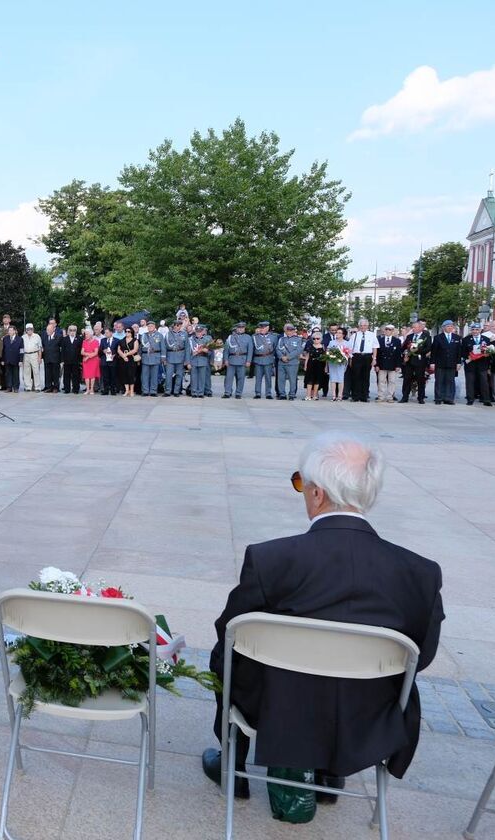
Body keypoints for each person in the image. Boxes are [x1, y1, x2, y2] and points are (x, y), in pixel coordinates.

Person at [202, 432, 443, 801]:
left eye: (301, 483)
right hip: (367, 709)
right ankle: (330, 772)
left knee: (228, 658)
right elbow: (421, 657)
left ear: (317, 494)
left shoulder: (272, 560)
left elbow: (229, 634)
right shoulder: (420, 573)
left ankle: (233, 764)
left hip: (277, 703)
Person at [460, 323, 492, 406]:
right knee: (470, 382)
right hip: (470, 364)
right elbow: (463, 352)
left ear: (480, 330)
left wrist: (487, 355)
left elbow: (489, 352)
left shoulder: (486, 339)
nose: (475, 331)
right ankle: (470, 399)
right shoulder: (466, 339)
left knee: (484, 382)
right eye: (473, 329)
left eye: (477, 329)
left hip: (482, 364)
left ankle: (486, 399)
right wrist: (468, 357)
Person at [400, 321, 431, 404]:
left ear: (420, 328)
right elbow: (404, 347)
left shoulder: (426, 336)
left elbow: (428, 348)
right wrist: (406, 354)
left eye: (415, 327)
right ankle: (405, 397)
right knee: (407, 379)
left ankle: (420, 398)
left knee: (420, 379)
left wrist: (417, 350)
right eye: (412, 327)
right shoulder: (409, 336)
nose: (413, 329)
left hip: (420, 361)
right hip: (409, 361)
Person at [347, 318, 377, 402]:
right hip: (357, 356)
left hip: (367, 357)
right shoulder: (354, 335)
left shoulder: (372, 335)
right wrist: (350, 359)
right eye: (361, 325)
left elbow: (375, 347)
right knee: (356, 376)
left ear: (367, 326)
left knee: (366, 377)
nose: (363, 327)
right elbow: (350, 348)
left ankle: (364, 396)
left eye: (364, 325)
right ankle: (355, 396)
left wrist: (374, 358)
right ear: (359, 326)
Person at [223, 322, 253, 399]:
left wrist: (248, 361)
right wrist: (226, 359)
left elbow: (250, 350)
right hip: (231, 360)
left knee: (241, 378)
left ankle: (238, 393)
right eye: (239, 327)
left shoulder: (248, 337)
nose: (240, 329)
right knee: (228, 378)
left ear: (244, 328)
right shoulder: (230, 337)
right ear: (236, 328)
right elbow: (226, 350)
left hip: (242, 359)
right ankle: (227, 392)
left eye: (242, 328)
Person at [276, 324, 306, 400]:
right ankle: (282, 394)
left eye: (291, 330)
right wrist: (282, 357)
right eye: (288, 330)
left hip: (292, 363)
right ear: (286, 331)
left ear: (293, 331)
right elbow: (277, 349)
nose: (289, 332)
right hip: (282, 362)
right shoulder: (281, 339)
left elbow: (298, 350)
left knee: (292, 379)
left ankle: (292, 394)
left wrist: (288, 357)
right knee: (281, 379)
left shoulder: (298, 339)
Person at [373, 325, 401, 403]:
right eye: (386, 329)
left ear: (392, 331)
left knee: (392, 381)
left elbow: (398, 354)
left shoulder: (397, 341)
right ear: (384, 331)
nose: (388, 331)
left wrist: (398, 365)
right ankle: (380, 396)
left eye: (390, 330)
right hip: (382, 364)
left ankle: (390, 397)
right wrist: (376, 365)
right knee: (381, 381)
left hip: (392, 364)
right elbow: (377, 354)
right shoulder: (379, 340)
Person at [249, 322, 276, 399]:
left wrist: (272, 358)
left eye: (263, 328)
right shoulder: (254, 337)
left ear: (267, 328)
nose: (262, 329)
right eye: (261, 327)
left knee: (268, 377)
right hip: (258, 359)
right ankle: (258, 393)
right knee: (258, 377)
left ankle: (268, 393)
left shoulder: (273, 337)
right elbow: (252, 349)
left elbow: (275, 348)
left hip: (268, 359)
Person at [163, 320, 188, 396]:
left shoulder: (184, 334)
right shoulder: (168, 334)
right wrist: (164, 358)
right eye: (177, 325)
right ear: (173, 325)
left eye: (179, 325)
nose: (178, 327)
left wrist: (186, 359)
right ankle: (168, 391)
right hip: (170, 356)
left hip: (180, 356)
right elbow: (164, 347)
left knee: (179, 375)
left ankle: (176, 391)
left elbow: (187, 347)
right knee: (168, 375)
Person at [187, 324, 212, 398]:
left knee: (202, 378)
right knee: (193, 378)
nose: (198, 333)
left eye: (200, 331)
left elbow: (210, 352)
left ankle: (201, 392)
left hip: (203, 360)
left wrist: (206, 351)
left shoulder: (206, 340)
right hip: (193, 360)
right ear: (195, 332)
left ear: (202, 332)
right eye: (197, 332)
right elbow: (188, 352)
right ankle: (194, 392)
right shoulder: (191, 340)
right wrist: (188, 362)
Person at [302, 333, 328, 401]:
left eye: (317, 338)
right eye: (314, 338)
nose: (316, 340)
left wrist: (326, 367)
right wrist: (305, 365)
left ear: (321, 339)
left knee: (317, 380)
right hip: (311, 364)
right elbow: (307, 357)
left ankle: (315, 395)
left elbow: (325, 358)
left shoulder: (323, 347)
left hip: (320, 365)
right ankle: (308, 395)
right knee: (309, 380)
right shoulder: (310, 346)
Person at [326, 327, 349, 402]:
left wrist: (344, 358)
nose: (337, 334)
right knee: (333, 379)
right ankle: (333, 395)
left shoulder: (346, 343)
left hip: (341, 363)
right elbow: (328, 352)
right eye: (337, 332)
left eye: (339, 333)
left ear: (343, 334)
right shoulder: (332, 342)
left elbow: (348, 353)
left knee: (340, 379)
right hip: (332, 363)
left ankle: (340, 396)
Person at [117, 324, 139, 397]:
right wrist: (123, 356)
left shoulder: (135, 340)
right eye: (126, 331)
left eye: (129, 331)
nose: (127, 333)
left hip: (131, 360)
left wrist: (126, 355)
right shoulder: (122, 340)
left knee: (131, 375)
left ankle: (132, 391)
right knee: (124, 375)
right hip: (123, 360)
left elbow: (135, 350)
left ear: (131, 332)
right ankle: (127, 391)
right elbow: (119, 350)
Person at [40, 320, 62, 393]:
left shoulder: (58, 336)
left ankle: (56, 387)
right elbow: (42, 346)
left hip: (55, 358)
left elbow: (61, 347)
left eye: (49, 330)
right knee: (47, 373)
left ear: (53, 329)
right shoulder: (45, 337)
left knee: (55, 374)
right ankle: (48, 387)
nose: (47, 331)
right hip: (47, 358)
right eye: (47, 330)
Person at [20, 323, 43, 392]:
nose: (29, 330)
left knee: (36, 371)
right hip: (25, 355)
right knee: (26, 372)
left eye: (30, 329)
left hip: (34, 354)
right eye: (28, 329)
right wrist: (21, 358)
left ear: (33, 329)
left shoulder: (37, 336)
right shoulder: (23, 337)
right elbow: (21, 348)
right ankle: (28, 387)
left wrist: (39, 357)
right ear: (26, 330)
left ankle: (37, 387)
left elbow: (40, 348)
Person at [1, 325, 23, 393]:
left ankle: (16, 387)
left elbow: (22, 350)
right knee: (8, 374)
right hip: (7, 359)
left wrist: (21, 360)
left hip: (16, 360)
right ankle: (9, 387)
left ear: (14, 331)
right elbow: (3, 350)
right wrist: (2, 359)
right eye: (9, 330)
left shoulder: (20, 339)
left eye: (11, 330)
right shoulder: (5, 339)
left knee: (16, 374)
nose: (9, 332)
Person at [98, 325, 119, 395]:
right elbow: (99, 351)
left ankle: (113, 390)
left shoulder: (117, 340)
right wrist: (103, 350)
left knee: (113, 376)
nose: (105, 334)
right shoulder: (103, 340)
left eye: (107, 333)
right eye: (105, 333)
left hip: (113, 361)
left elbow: (118, 351)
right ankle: (106, 390)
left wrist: (114, 355)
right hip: (104, 361)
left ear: (111, 333)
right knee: (105, 376)